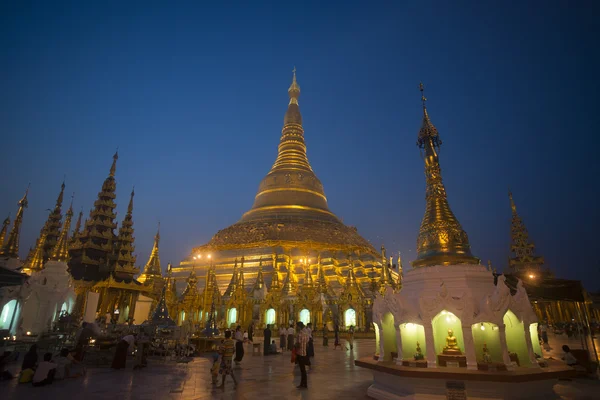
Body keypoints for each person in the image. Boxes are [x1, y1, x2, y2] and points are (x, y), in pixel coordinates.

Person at [295, 322, 310, 389]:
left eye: (297, 326)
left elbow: (298, 344)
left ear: (299, 326)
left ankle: (303, 384)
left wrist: (294, 346)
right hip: (304, 353)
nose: (296, 327)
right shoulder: (305, 334)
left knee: (302, 370)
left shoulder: (299, 334)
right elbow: (307, 343)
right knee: (303, 370)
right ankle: (304, 383)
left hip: (300, 353)